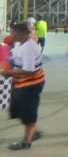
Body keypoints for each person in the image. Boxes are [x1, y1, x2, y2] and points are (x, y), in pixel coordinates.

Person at [2, 22, 45, 150]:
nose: (11, 35)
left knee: (27, 111)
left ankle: (26, 141)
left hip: (31, 84)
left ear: (20, 34)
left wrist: (9, 72)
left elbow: (29, 69)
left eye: (12, 32)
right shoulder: (22, 45)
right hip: (22, 83)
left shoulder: (28, 47)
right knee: (17, 109)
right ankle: (34, 131)